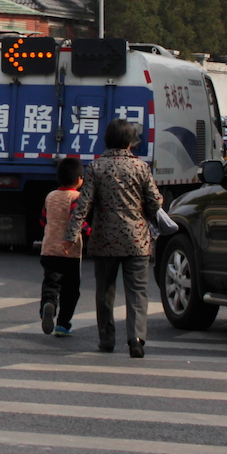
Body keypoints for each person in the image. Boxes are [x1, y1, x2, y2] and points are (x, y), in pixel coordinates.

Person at [65, 116, 162, 358]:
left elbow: (84, 204)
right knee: (137, 291)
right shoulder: (141, 167)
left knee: (105, 291)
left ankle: (106, 339)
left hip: (105, 240)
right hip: (137, 240)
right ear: (130, 142)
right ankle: (136, 339)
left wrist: (71, 234)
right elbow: (154, 203)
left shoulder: (96, 167)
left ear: (106, 140)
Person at [39, 155, 85, 337]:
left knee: (51, 283)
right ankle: (63, 324)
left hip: (49, 249)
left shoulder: (50, 196)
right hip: (70, 252)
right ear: (79, 179)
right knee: (71, 290)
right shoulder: (77, 198)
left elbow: (43, 220)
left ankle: (48, 304)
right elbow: (77, 221)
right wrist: (91, 232)